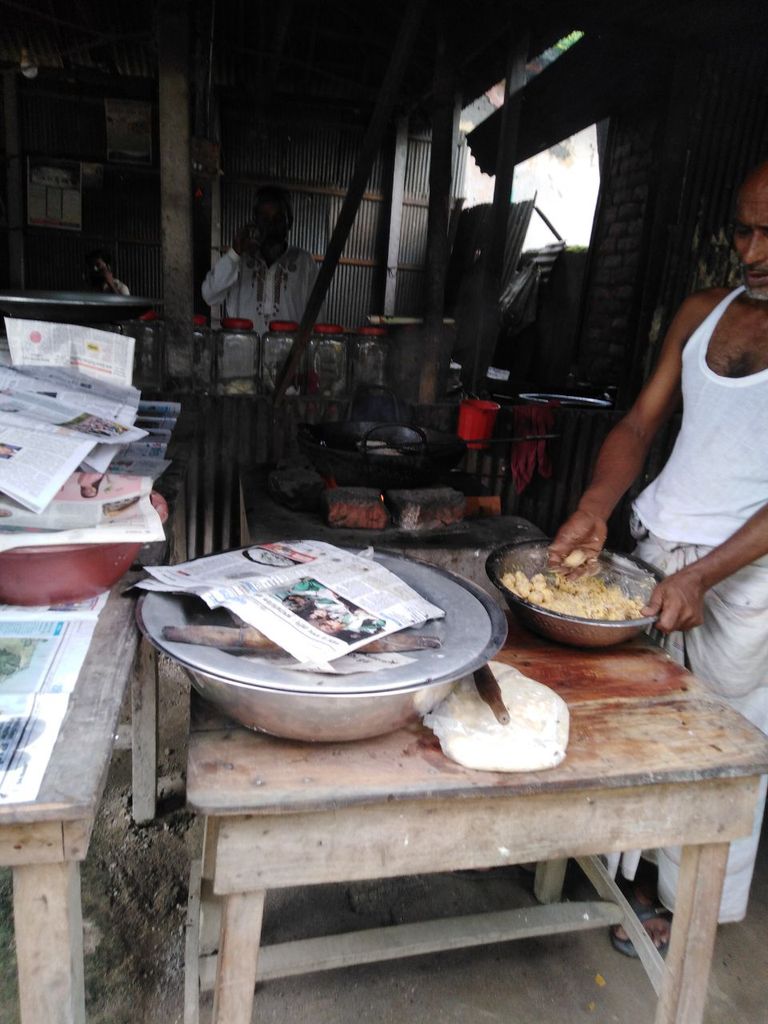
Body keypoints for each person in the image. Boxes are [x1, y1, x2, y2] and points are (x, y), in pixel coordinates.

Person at [548, 158, 768, 956]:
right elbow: (640, 426)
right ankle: (619, 874)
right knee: (636, 728)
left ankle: (685, 901)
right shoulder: (704, 314)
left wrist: (707, 575)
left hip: (744, 578)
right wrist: (593, 509)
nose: (752, 249)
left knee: (721, 743)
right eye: (744, 228)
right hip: (656, 549)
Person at [201, 185, 319, 337]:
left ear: (289, 222)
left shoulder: (304, 262)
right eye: (264, 219)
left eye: (278, 218)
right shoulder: (239, 260)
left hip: (288, 356)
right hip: (242, 353)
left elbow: (317, 316)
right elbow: (209, 295)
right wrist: (234, 253)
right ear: (255, 221)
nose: (271, 225)